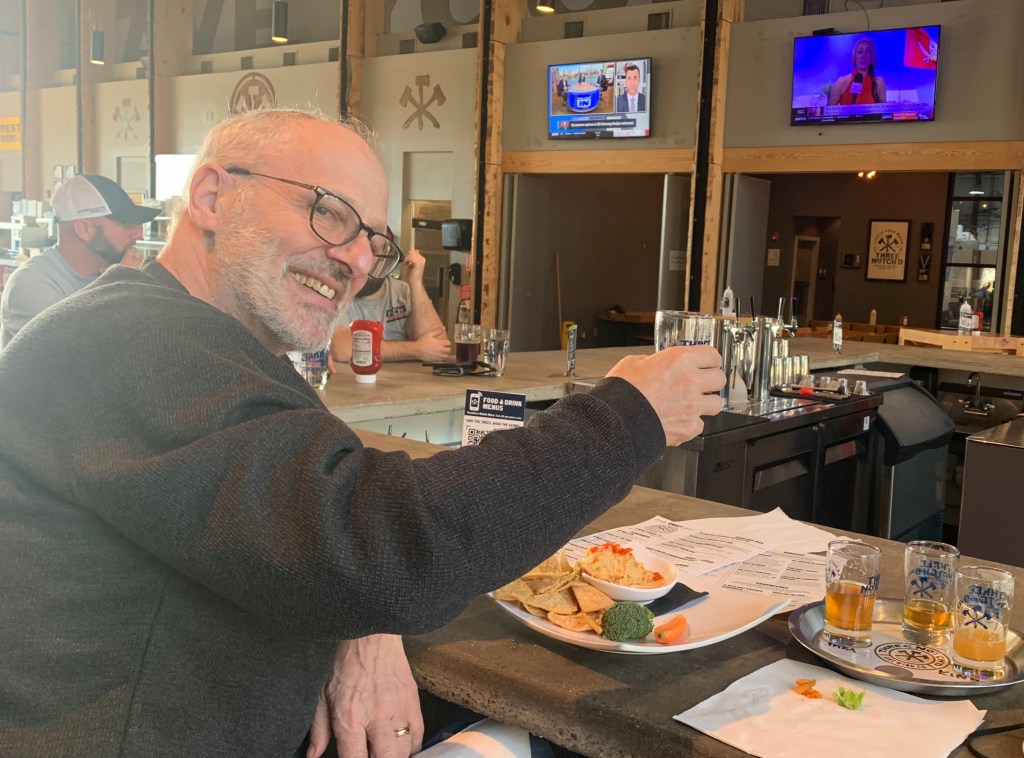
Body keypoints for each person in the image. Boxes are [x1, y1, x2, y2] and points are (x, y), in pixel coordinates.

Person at [0, 108, 725, 758]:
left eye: (372, 242)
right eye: (329, 213)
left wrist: (362, 627)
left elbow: (309, 512)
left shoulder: (210, 346)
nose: (354, 262)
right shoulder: (130, 338)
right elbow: (375, 543)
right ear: (214, 196)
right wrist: (628, 416)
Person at [0, 173, 158, 348]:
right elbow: (77, 355)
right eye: (124, 223)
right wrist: (120, 287)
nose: (139, 234)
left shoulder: (118, 272)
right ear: (84, 229)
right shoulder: (31, 285)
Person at [330, 247, 451, 363]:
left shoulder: (404, 292)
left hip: (403, 377)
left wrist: (416, 282)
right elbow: (341, 349)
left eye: (372, 250)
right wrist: (416, 349)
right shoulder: (335, 292)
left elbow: (438, 347)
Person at [827, 37, 887, 106]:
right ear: (854, 56)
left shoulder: (879, 83)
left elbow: (884, 111)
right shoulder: (841, 82)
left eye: (868, 51)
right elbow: (830, 110)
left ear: (872, 56)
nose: (863, 56)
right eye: (859, 52)